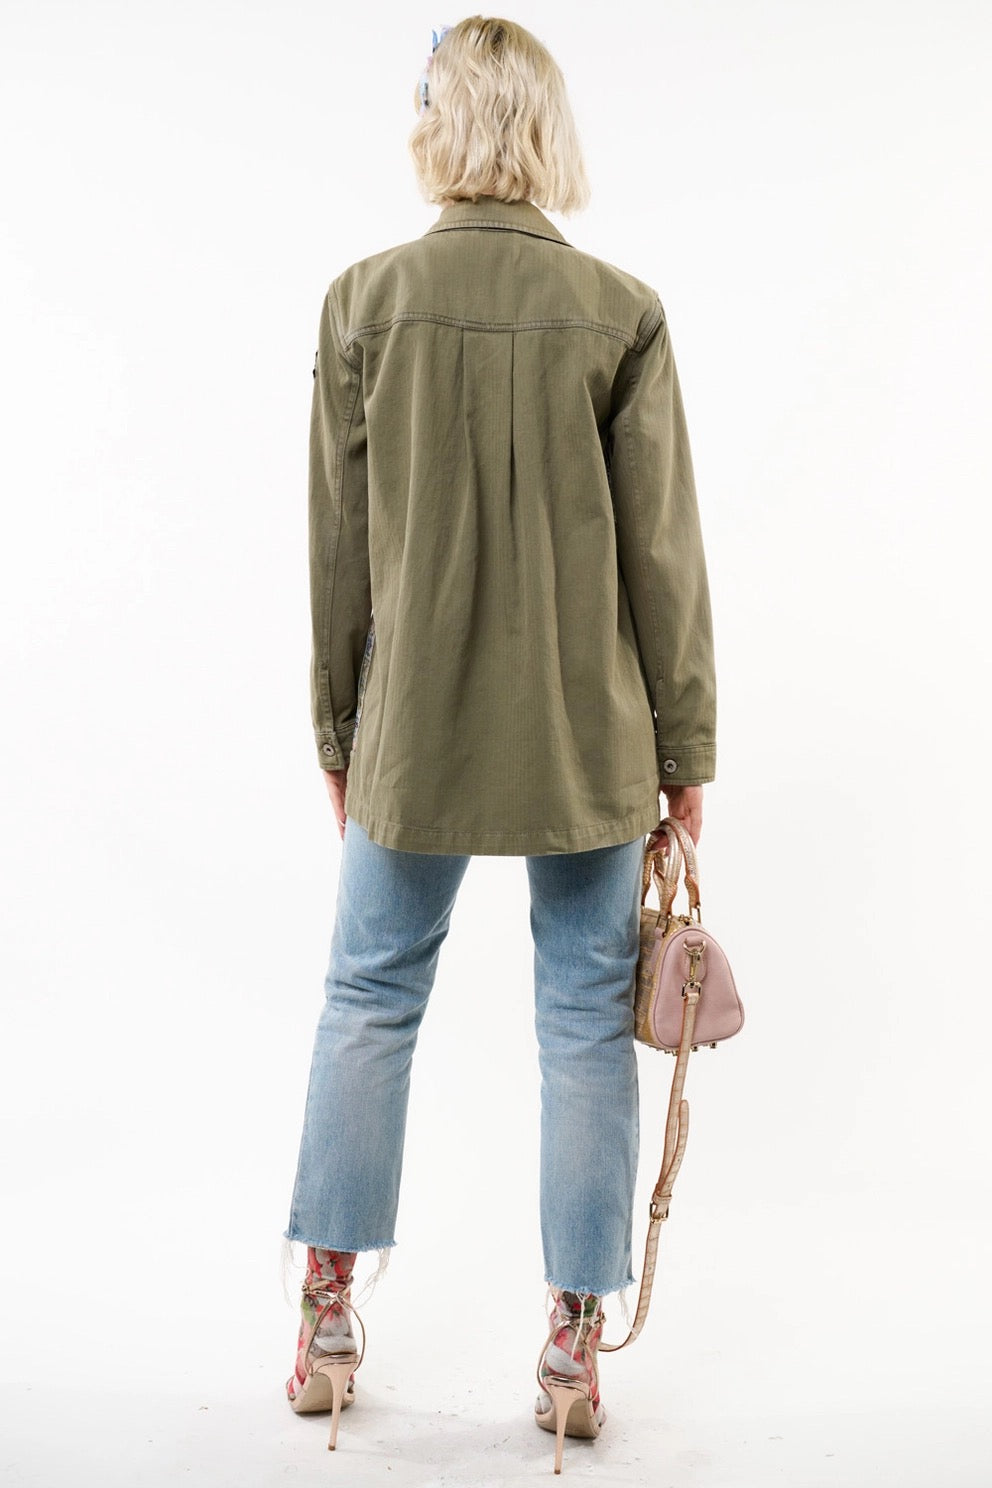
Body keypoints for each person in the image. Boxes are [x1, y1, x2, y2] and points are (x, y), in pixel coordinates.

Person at [280, 14, 717, 1474]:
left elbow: (338, 546)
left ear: (439, 124)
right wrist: (687, 749)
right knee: (584, 1024)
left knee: (368, 996)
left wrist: (338, 724)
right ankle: (574, 1344)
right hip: (588, 735)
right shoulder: (621, 312)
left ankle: (326, 1322)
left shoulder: (364, 301)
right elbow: (665, 558)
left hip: (412, 727)